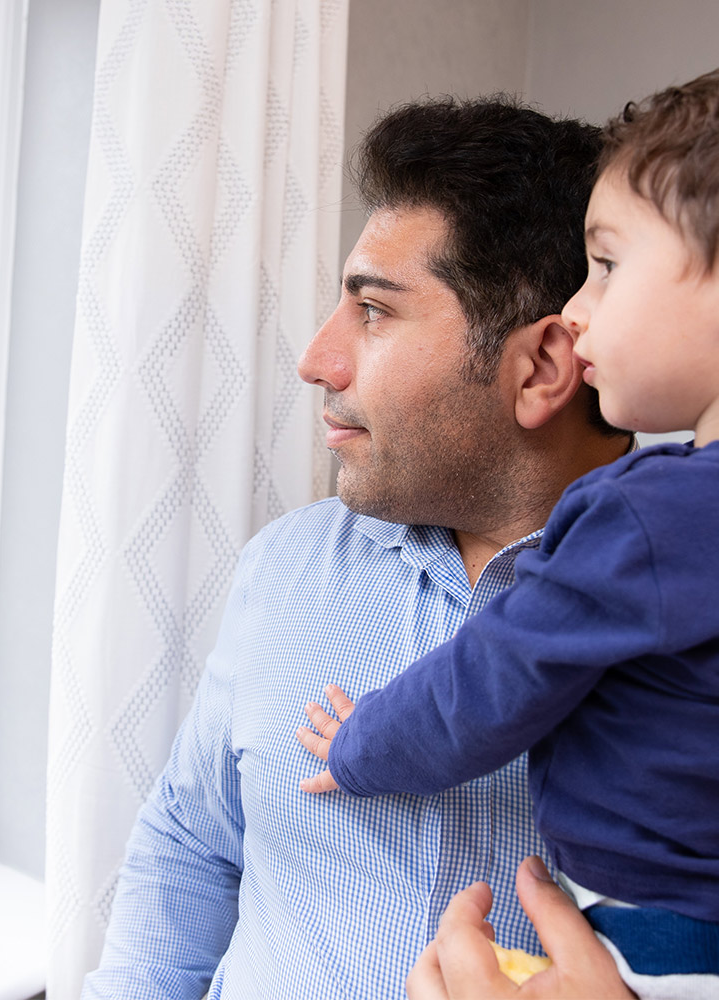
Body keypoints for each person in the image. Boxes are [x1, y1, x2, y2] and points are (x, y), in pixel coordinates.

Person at [82, 95, 633, 1000]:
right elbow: (190, 842)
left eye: (374, 312)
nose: (316, 359)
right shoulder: (286, 566)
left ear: (539, 367)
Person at [298, 49, 719, 1000]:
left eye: (607, 268)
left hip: (651, 941)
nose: (576, 311)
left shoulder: (648, 517)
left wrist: (362, 747)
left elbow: (489, 680)